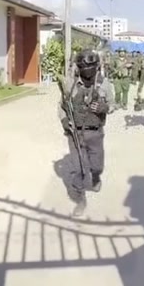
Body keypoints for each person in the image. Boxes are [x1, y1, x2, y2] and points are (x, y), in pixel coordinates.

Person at [57, 49, 114, 216]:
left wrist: (105, 107)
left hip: (95, 133)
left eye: (90, 67)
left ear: (96, 66)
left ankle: (96, 177)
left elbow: (113, 104)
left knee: (96, 165)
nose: (86, 71)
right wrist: (64, 121)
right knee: (79, 168)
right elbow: (61, 106)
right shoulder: (70, 84)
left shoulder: (104, 84)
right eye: (83, 67)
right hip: (75, 133)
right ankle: (80, 199)